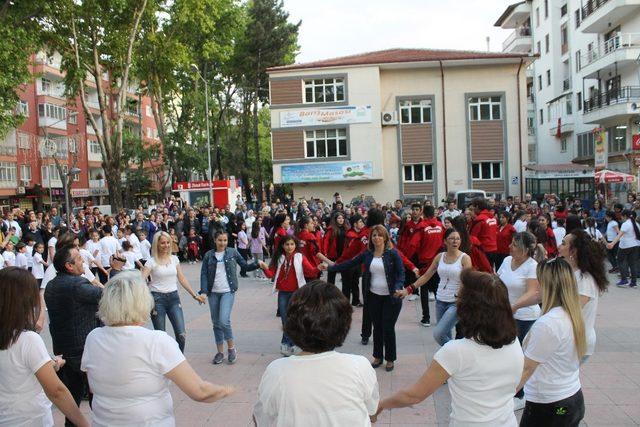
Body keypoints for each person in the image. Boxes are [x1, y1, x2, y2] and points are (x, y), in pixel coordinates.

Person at [81, 271, 234, 426]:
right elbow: (200, 392)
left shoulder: (93, 337)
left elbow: (93, 387)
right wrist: (226, 390)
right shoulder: (156, 341)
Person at [374, 270, 524, 426]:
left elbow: (414, 396)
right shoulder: (514, 341)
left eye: (458, 298)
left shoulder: (455, 351)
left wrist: (382, 404)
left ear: (469, 308)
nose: (456, 302)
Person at [253, 281, 379, 426]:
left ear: (291, 324)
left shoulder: (277, 371)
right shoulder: (360, 366)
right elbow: (372, 413)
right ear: (344, 324)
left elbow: (261, 420)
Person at [0, 267, 89, 427]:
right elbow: (56, 391)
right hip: (29, 420)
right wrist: (84, 424)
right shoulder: (27, 340)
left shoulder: (19, 339)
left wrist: (51, 365)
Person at [323, 225, 404, 371]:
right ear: (370, 238)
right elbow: (349, 263)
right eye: (374, 235)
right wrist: (330, 268)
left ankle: (390, 358)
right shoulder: (367, 254)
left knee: (387, 327)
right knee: (377, 327)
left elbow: (401, 273)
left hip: (391, 297)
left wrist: (398, 286)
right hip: (373, 296)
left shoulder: (393, 254)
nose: (376, 238)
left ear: (385, 237)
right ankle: (378, 356)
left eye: (380, 235)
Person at [517, 258, 586, 426]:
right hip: (571, 399)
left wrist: (499, 398)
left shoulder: (548, 324)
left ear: (547, 286)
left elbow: (526, 369)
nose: (536, 286)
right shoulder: (571, 313)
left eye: (539, 282)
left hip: (549, 406)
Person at [44, 245, 102, 426]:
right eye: (78, 258)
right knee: (101, 400)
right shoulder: (78, 284)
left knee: (72, 401)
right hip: (84, 350)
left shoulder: (52, 285)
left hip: (64, 351)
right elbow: (106, 294)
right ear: (69, 266)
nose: (83, 261)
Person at [398, 228, 472, 346]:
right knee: (445, 336)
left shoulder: (465, 258)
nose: (455, 241)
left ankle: (455, 353)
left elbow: (467, 280)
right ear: (445, 241)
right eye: (452, 238)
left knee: (438, 334)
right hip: (440, 301)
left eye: (458, 239)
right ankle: (450, 360)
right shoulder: (439, 257)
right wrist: (409, 289)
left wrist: (459, 296)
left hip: (455, 302)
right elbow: (426, 276)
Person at [199, 231, 262, 365]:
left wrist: (257, 264)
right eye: (220, 240)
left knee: (223, 320)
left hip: (228, 291)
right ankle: (220, 352)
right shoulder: (208, 255)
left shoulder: (232, 252)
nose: (223, 243)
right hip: (213, 293)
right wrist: (203, 292)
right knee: (216, 323)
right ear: (215, 240)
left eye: (225, 240)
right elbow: (204, 274)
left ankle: (231, 348)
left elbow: (244, 265)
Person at [142, 231, 206, 353]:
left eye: (168, 242)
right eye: (162, 243)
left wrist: (195, 295)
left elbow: (181, 278)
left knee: (181, 334)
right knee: (161, 336)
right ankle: (162, 362)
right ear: (157, 244)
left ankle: (178, 359)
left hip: (173, 298)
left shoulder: (174, 259)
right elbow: (141, 280)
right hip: (157, 300)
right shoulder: (151, 262)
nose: (166, 245)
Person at [496, 231, 540, 409]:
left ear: (525, 250)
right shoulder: (507, 261)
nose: (509, 247)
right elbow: (497, 281)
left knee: (518, 356)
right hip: (506, 314)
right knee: (504, 352)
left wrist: (513, 307)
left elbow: (532, 292)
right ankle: (508, 388)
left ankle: (520, 395)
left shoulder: (532, 266)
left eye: (514, 245)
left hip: (525, 317)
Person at [263, 235, 320, 357]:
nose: (289, 247)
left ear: (296, 245)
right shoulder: (279, 258)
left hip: (297, 293)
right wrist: (263, 267)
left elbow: (310, 271)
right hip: (283, 293)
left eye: (292, 244)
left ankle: (289, 344)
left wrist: (318, 268)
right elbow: (270, 274)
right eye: (287, 244)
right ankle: (289, 344)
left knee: (295, 320)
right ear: (282, 246)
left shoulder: (300, 257)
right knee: (285, 320)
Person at [558, 230, 609, 363]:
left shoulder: (584, 279)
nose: (559, 246)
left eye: (563, 243)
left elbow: (572, 309)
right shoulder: (572, 272)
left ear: (573, 251)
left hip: (577, 341)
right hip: (569, 338)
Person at [607, 210, 640, 288]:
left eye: (621, 216)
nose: (621, 218)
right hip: (635, 245)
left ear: (625, 216)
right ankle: (633, 282)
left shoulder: (626, 224)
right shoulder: (637, 224)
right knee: (633, 264)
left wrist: (612, 243)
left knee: (620, 261)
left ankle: (624, 280)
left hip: (625, 246)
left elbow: (619, 236)